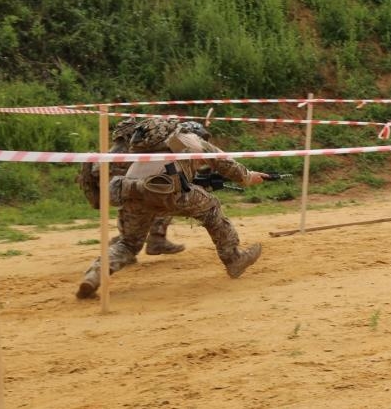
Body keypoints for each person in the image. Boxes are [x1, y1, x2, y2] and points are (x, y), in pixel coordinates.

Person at [76, 117, 267, 299]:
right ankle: (233, 259)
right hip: (167, 191)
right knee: (212, 208)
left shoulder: (150, 145)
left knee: (128, 244)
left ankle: (94, 275)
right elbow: (223, 162)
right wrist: (248, 177)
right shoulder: (189, 139)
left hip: (132, 190)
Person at [76, 117, 187, 256]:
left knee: (130, 211)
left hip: (114, 194)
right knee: (165, 202)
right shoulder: (132, 153)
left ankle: (126, 241)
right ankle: (154, 240)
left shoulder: (108, 154)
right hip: (130, 194)